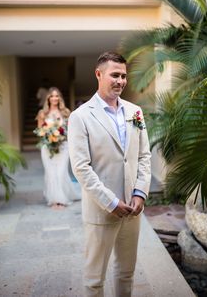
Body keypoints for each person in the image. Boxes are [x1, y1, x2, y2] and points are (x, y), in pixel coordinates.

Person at [68, 51, 151, 296]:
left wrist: (140, 193)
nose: (121, 81)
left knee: (126, 273)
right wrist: (111, 202)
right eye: (115, 75)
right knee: (95, 279)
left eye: (124, 76)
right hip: (101, 210)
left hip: (133, 209)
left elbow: (143, 156)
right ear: (98, 74)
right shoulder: (80, 117)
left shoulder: (135, 111)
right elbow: (81, 168)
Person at [36, 87, 81, 209]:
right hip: (47, 147)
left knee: (61, 172)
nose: (54, 98)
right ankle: (54, 200)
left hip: (63, 146)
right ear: (48, 98)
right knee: (51, 173)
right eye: (52, 96)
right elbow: (39, 131)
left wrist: (60, 136)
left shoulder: (66, 112)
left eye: (57, 96)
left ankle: (61, 199)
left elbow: (71, 130)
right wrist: (49, 135)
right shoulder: (42, 113)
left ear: (60, 98)